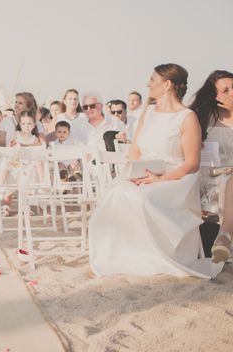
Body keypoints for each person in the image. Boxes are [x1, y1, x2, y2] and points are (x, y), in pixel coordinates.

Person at [89, 63, 222, 278]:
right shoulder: (148, 112)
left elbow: (192, 163)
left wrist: (160, 179)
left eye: (152, 80)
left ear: (167, 84)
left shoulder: (187, 117)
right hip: (144, 173)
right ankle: (121, 256)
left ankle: (149, 257)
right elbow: (136, 148)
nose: (147, 84)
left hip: (176, 180)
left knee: (136, 197)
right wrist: (133, 172)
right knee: (117, 191)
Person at [189, 70, 233, 262]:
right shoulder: (202, 118)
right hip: (208, 178)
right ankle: (224, 237)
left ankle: (225, 236)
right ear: (214, 96)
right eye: (225, 90)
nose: (231, 93)